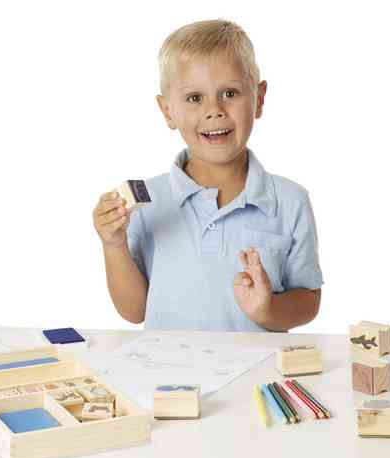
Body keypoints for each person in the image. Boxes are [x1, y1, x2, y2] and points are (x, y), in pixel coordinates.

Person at [92, 19, 324, 332]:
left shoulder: (290, 200)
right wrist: (113, 245)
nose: (214, 110)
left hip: (257, 364)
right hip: (166, 363)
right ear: (167, 111)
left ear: (259, 98)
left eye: (229, 92)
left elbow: (308, 299)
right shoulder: (147, 202)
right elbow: (135, 311)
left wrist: (267, 309)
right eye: (194, 98)